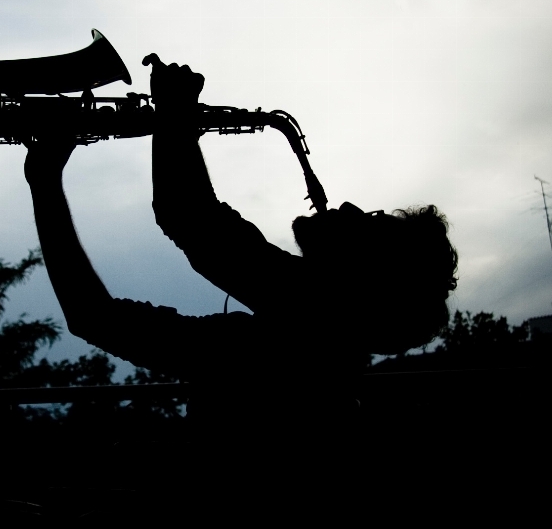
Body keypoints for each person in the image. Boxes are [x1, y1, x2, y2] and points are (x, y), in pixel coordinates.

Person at [23, 56, 458, 509]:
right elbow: (97, 315)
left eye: (370, 223)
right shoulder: (314, 341)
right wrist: (46, 181)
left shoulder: (304, 314)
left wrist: (173, 112)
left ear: (364, 279)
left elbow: (186, 216)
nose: (348, 206)